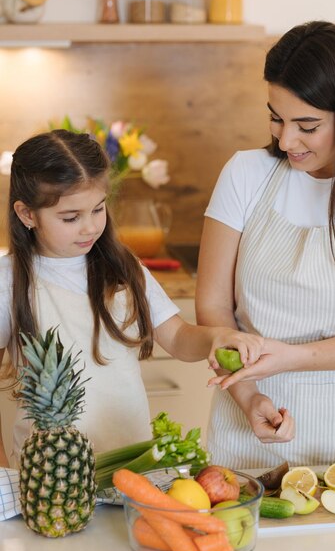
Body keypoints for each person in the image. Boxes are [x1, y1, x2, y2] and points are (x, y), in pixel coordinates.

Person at [196, 20, 335, 469]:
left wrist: (290, 358)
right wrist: (249, 394)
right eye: (276, 117)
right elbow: (214, 308)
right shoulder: (245, 173)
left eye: (307, 125)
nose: (285, 139)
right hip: (245, 429)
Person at [0, 129, 264, 468]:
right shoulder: (9, 281)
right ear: (26, 214)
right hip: (48, 476)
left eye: (98, 209)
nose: (89, 228)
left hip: (132, 466)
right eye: (70, 217)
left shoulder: (123, 267)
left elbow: (180, 339)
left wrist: (217, 336)